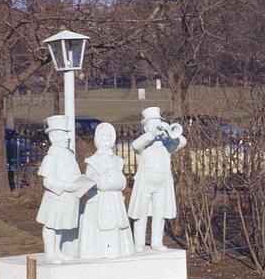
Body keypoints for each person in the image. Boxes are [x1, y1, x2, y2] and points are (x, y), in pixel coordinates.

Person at [127, 107, 187, 252]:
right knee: (141, 214)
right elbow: (135, 145)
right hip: (145, 184)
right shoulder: (144, 145)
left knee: (159, 214)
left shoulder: (167, 146)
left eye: (158, 123)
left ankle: (156, 241)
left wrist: (169, 133)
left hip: (162, 186)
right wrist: (152, 134)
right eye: (153, 123)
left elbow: (182, 142)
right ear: (146, 127)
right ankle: (139, 243)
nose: (156, 126)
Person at [78, 122, 134, 259]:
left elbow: (121, 180)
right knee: (100, 227)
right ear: (97, 139)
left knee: (117, 225)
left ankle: (119, 249)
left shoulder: (118, 161)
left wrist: (118, 182)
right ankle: (98, 251)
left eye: (109, 137)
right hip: (99, 200)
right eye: (102, 137)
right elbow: (89, 180)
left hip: (115, 200)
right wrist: (101, 181)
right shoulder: (92, 161)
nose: (106, 141)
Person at [36, 115, 83, 264]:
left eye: (66, 134)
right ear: (54, 136)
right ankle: (50, 253)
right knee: (51, 225)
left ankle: (57, 250)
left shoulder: (69, 155)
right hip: (56, 197)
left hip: (69, 197)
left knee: (60, 225)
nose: (66, 138)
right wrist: (66, 186)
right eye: (63, 134)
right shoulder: (51, 157)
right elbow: (47, 181)